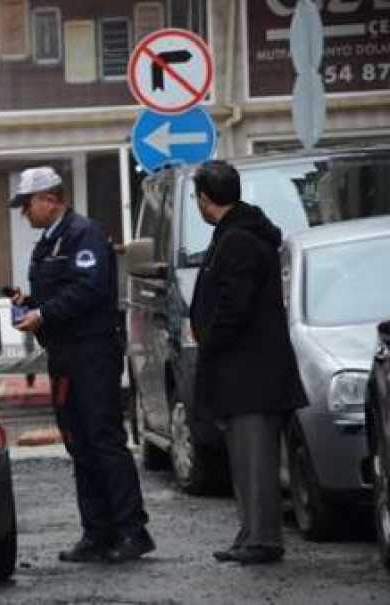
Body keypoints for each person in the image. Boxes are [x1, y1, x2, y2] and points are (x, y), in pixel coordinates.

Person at [7, 166, 154, 563]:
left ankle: (131, 531)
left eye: (27, 204)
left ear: (51, 199)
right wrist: (28, 308)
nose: (24, 213)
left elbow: (89, 289)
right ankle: (97, 532)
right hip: (64, 355)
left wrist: (44, 314)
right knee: (79, 443)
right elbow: (50, 294)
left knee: (104, 440)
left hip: (92, 353)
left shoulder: (83, 234)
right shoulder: (46, 245)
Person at [189, 160, 307, 565]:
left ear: (205, 199)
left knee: (255, 459)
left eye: (197, 198)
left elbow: (233, 306)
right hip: (246, 371)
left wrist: (210, 339)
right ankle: (251, 533)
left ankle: (262, 539)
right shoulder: (240, 232)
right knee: (244, 458)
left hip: (251, 373)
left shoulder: (238, 239)